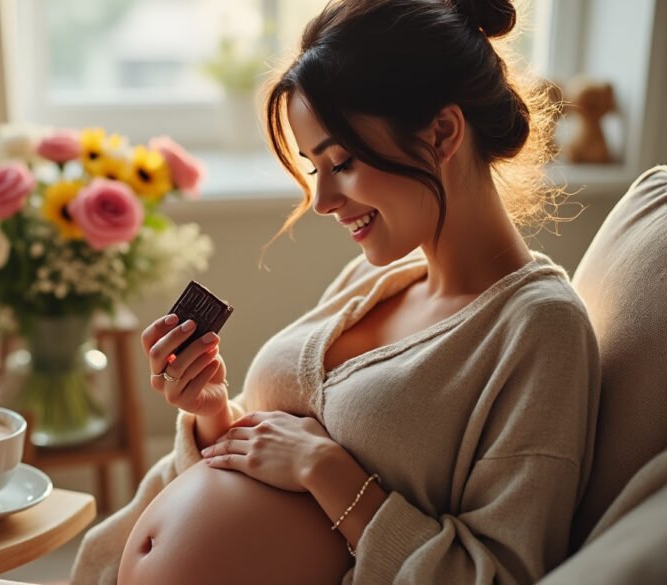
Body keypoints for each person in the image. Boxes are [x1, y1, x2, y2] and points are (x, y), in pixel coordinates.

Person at [71, 0, 600, 583]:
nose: (321, 201)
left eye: (341, 161)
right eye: (313, 166)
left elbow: (501, 575)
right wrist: (212, 413)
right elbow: (269, 457)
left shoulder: (539, 329)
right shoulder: (373, 281)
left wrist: (327, 471)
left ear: (443, 132)